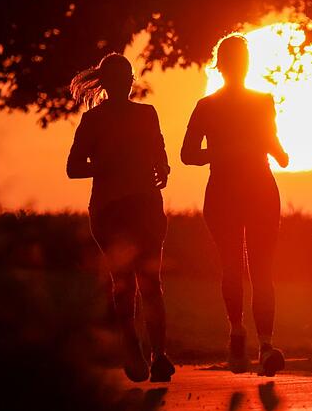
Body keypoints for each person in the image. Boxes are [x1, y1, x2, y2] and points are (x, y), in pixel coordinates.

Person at [181, 34, 289, 376]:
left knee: (243, 267)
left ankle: (246, 337)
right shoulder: (236, 103)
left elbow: (271, 142)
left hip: (235, 189)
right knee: (256, 269)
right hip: (250, 188)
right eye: (239, 60)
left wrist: (274, 151)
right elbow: (186, 154)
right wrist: (269, 152)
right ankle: (257, 342)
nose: (240, 65)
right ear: (232, 65)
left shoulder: (212, 105)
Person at [66, 53, 175, 383]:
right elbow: (73, 168)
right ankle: (134, 350)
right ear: (104, 83)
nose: (119, 83)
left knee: (151, 283)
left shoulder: (147, 114)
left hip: (144, 206)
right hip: (110, 209)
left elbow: (160, 155)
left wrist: (163, 170)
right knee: (125, 284)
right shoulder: (92, 121)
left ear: (131, 80)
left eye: (124, 77)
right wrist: (106, 167)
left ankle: (158, 355)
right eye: (112, 78)